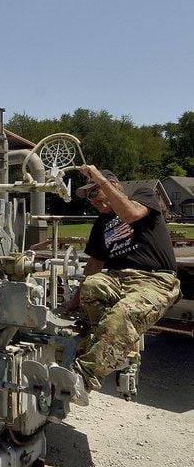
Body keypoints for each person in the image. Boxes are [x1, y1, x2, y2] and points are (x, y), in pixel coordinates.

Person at [64, 166, 180, 399]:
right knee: (92, 286)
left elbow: (129, 215)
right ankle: (122, 353)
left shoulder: (143, 196)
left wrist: (97, 176)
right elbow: (93, 267)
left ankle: (82, 378)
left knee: (122, 315)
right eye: (88, 197)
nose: (92, 200)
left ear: (113, 185)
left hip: (155, 279)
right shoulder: (100, 225)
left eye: (94, 192)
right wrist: (74, 302)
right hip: (119, 279)